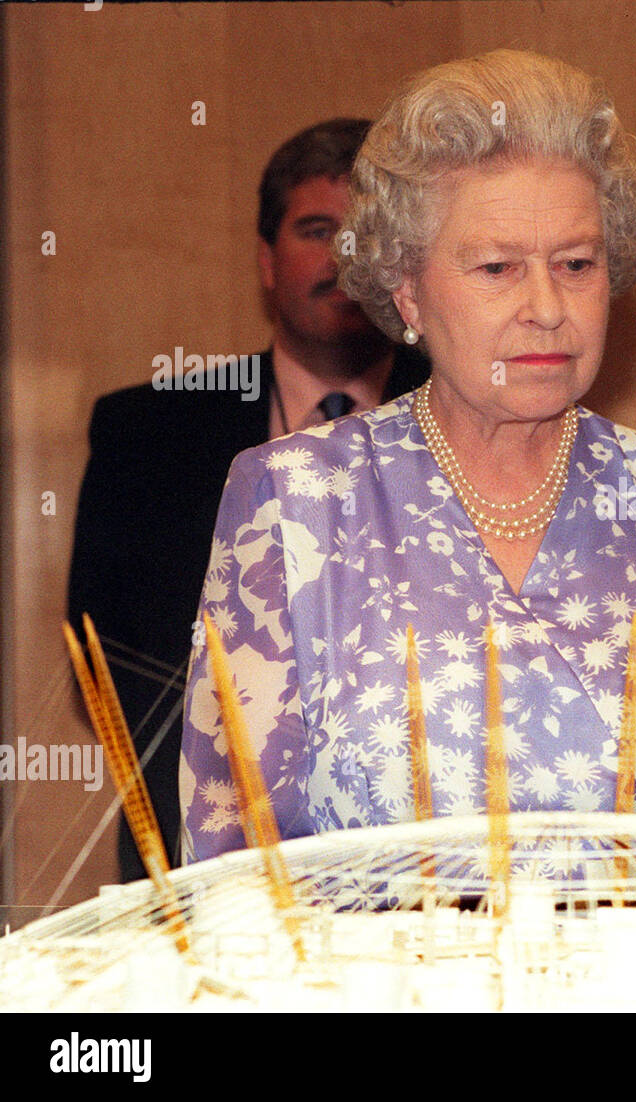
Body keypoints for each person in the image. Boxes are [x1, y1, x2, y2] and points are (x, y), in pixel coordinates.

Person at [179, 51, 636, 862]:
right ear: (407, 289)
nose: (547, 309)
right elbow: (229, 867)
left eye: (576, 265)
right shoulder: (295, 498)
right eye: (497, 268)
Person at [68, 119, 430, 882]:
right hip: (198, 874)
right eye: (315, 230)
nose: (341, 257)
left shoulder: (468, 419)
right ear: (266, 261)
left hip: (424, 876)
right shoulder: (147, 432)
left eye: (364, 234)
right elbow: (102, 663)